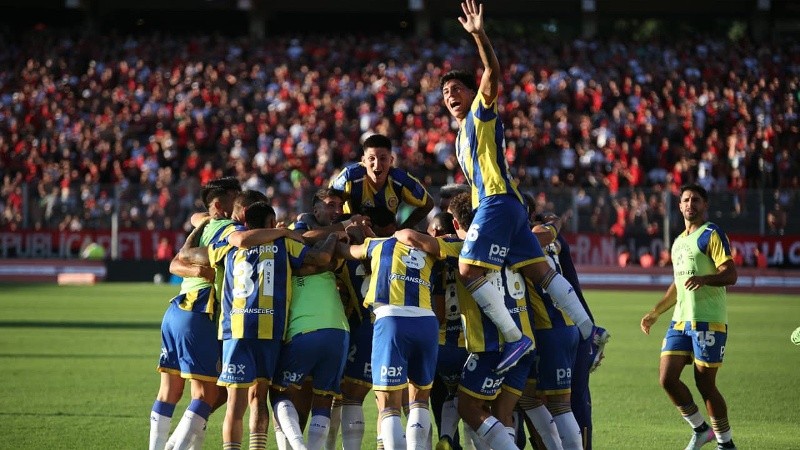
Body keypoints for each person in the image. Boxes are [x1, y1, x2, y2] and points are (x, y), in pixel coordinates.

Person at [440, 0, 595, 374]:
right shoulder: (461, 135)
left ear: (469, 91)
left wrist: (478, 34)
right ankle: (591, 330)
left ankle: (515, 338)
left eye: (456, 89)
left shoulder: (480, 109)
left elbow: (492, 70)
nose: (451, 96)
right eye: (446, 94)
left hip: (496, 201)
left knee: (467, 270)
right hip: (507, 206)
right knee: (539, 272)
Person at [180, 202, 337, 450]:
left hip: (236, 329)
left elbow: (186, 255)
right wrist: (334, 236)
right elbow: (322, 258)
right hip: (270, 330)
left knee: (235, 403)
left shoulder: (229, 245)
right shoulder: (284, 243)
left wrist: (198, 229)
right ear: (270, 223)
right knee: (259, 398)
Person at [393, 192, 532, 450]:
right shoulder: (507, 242)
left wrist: (393, 234)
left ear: (456, 224)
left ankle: (447, 437)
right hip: (526, 338)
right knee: (503, 411)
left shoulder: (462, 247)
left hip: (489, 345)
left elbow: (416, 239)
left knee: (466, 405)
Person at [640, 184, 738, 450]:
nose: (690, 204)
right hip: (680, 322)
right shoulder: (679, 242)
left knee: (705, 384)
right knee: (667, 379)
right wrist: (656, 311)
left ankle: (726, 444)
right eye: (686, 200)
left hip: (708, 320)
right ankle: (700, 428)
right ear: (680, 205)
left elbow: (731, 274)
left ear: (704, 205)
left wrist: (705, 279)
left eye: (696, 200)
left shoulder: (711, 234)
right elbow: (678, 284)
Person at [149, 176, 241, 450]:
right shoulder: (231, 229)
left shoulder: (204, 226)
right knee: (209, 393)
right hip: (202, 309)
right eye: (236, 198)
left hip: (176, 309)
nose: (241, 203)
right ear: (220, 205)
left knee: (169, 392)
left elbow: (176, 261)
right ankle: (176, 446)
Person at [336, 224, 446, 450]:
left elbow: (347, 251)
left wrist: (339, 234)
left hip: (392, 320)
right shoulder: (431, 249)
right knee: (419, 401)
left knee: (388, 406)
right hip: (427, 321)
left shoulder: (379, 244)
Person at [330, 133, 433, 230]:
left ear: (391, 161)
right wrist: (347, 222)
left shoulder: (401, 180)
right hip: (354, 235)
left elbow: (428, 203)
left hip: (387, 236)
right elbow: (327, 201)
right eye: (371, 159)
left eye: (383, 158)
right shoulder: (349, 177)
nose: (377, 165)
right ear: (364, 161)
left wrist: (403, 228)